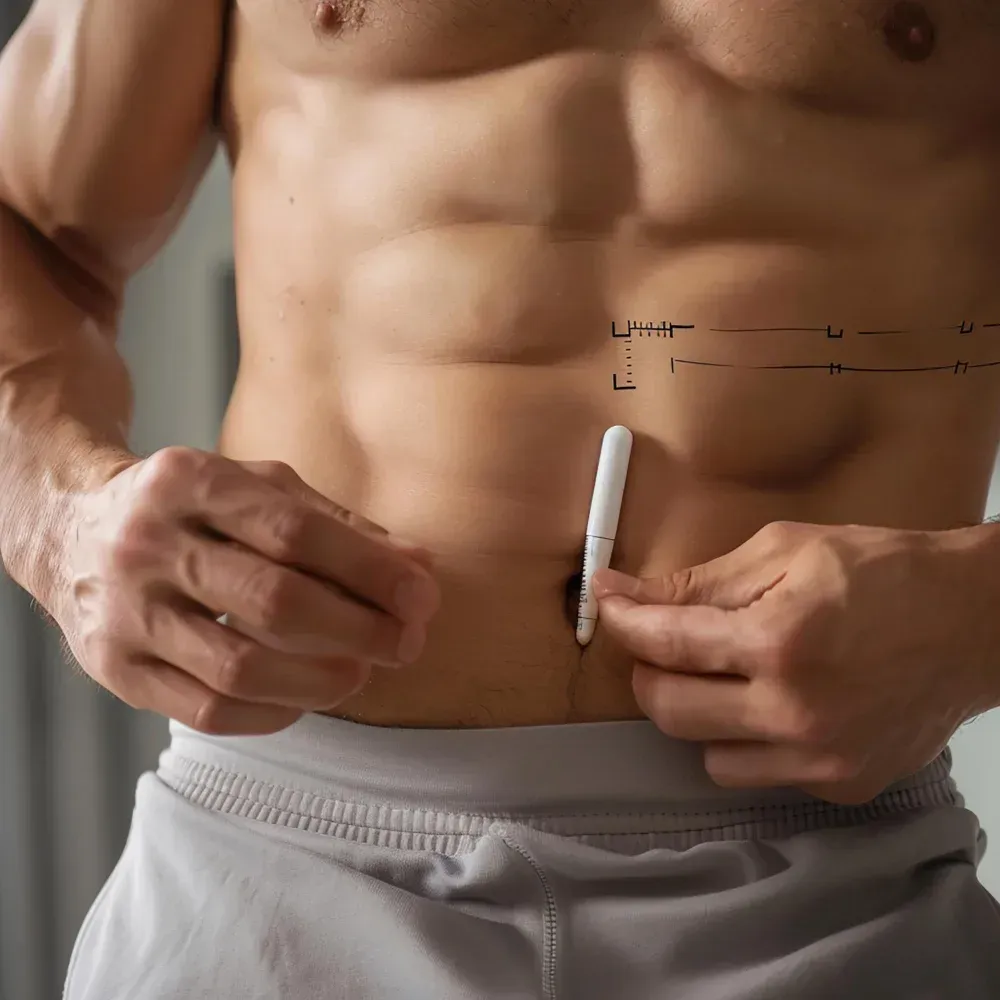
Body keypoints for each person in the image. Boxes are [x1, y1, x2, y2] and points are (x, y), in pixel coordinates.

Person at [1, 0, 1000, 996]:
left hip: (841, 892)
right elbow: (25, 222)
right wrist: (60, 516)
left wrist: (980, 613)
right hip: (283, 865)